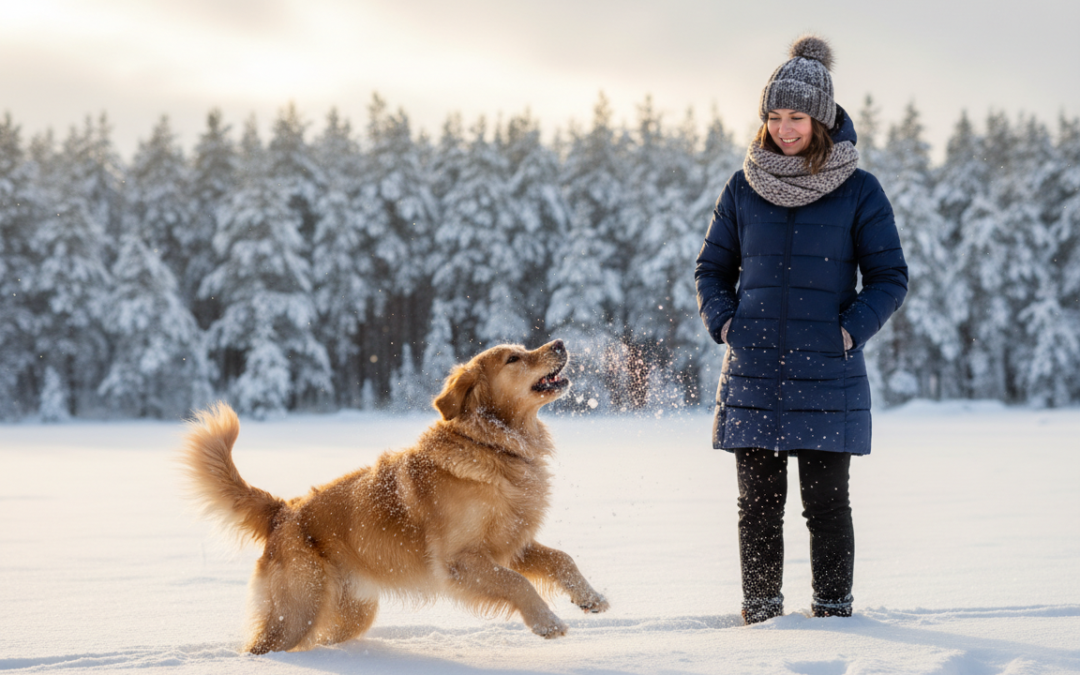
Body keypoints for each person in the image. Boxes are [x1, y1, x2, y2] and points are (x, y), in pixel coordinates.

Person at [694, 35, 908, 625]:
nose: (785, 129)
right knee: (757, 507)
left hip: (826, 372)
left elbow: (889, 276)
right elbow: (712, 269)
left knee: (826, 506)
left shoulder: (860, 190)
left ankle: (835, 618)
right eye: (775, 116)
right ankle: (761, 621)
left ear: (823, 118)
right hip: (755, 367)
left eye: (798, 117)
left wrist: (847, 332)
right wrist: (727, 321)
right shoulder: (742, 187)